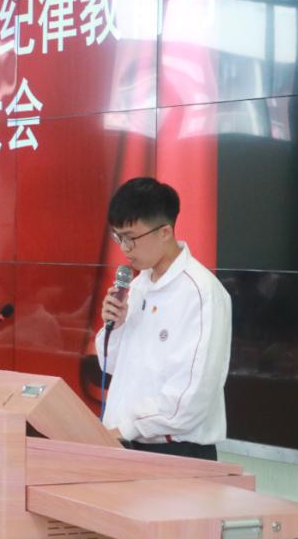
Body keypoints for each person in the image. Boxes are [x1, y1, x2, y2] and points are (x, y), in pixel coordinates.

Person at [95, 177, 232, 460]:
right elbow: (113, 366)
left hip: (176, 453)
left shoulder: (200, 292)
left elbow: (189, 398)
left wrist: (126, 428)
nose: (125, 248)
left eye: (131, 238)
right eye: (118, 237)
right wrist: (116, 327)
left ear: (165, 232)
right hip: (126, 445)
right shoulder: (137, 286)